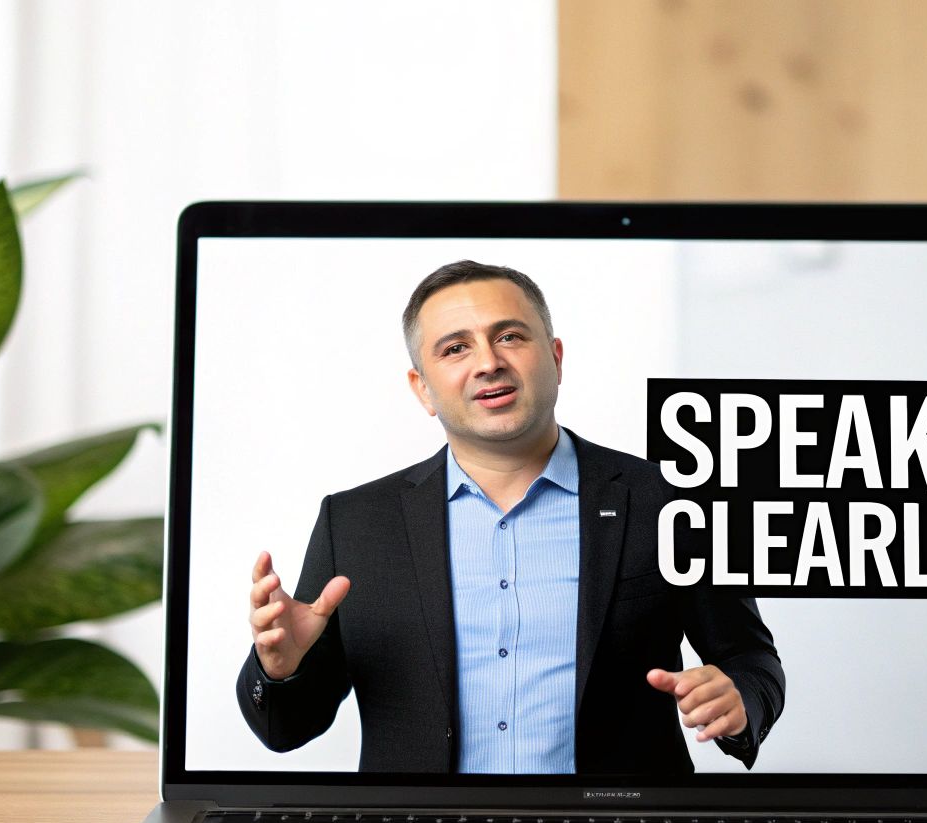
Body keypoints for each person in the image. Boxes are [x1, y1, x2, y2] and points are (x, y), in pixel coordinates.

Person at [235, 260, 785, 773]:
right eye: (454, 348)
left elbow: (752, 658)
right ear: (422, 388)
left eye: (509, 336)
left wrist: (737, 695)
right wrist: (279, 670)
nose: (488, 362)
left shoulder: (668, 501)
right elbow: (287, 729)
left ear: (556, 356)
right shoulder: (355, 523)